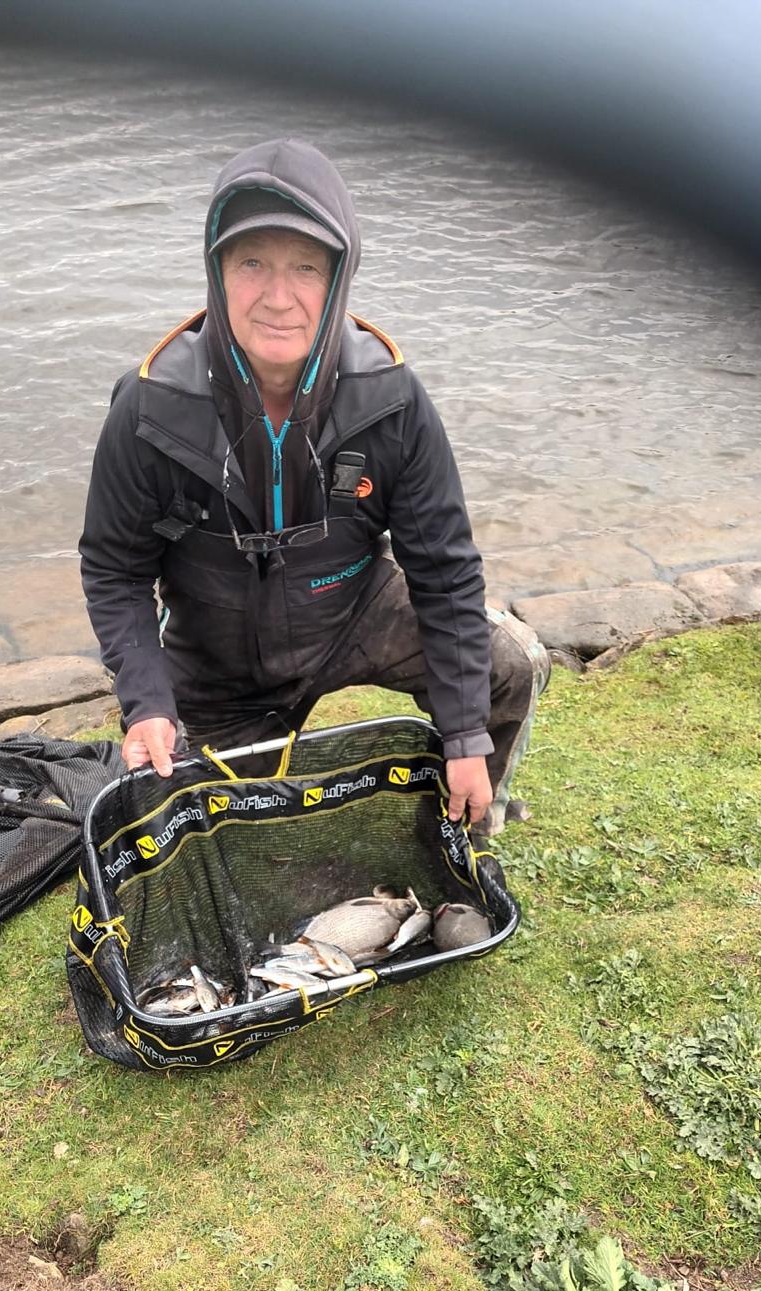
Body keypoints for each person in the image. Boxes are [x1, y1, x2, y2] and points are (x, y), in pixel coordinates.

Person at [80, 137, 549, 830]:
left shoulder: (391, 399)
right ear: (217, 271)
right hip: (212, 656)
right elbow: (114, 569)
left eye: (306, 266)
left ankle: (471, 819)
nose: (278, 296)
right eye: (252, 263)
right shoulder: (150, 406)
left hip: (353, 611)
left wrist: (464, 737)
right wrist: (148, 702)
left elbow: (444, 572)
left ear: (339, 276)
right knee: (198, 825)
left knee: (509, 666)